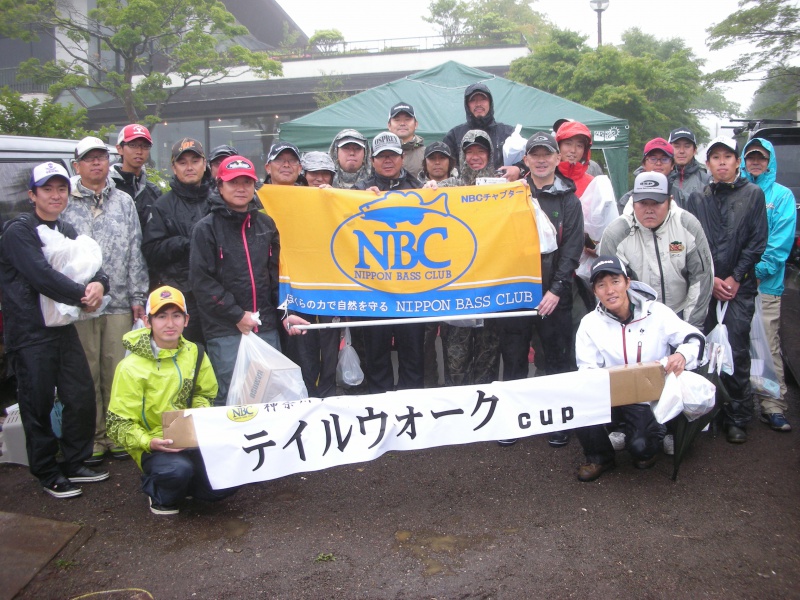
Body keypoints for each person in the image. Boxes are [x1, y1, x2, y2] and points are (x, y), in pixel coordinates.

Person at [0, 162, 110, 498]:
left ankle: (76, 460)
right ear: (32, 195)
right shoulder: (18, 232)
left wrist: (99, 286)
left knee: (79, 394)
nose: (55, 195)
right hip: (30, 332)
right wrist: (81, 294)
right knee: (38, 403)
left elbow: (94, 266)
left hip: (62, 329)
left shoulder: (65, 228)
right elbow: (41, 276)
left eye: (61, 188)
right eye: (47, 189)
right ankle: (47, 471)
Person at [106, 286, 237, 515]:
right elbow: (117, 424)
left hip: (190, 438)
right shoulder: (130, 367)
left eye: (176, 315)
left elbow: (205, 393)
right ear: (148, 321)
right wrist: (149, 441)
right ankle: (159, 493)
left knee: (231, 474)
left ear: (186, 320)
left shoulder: (195, 352)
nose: (170, 323)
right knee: (177, 471)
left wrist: (193, 421)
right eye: (161, 316)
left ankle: (188, 486)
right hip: (153, 445)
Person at [189, 155, 307, 406]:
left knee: (271, 395)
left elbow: (277, 277)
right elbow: (202, 282)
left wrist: (285, 313)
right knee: (232, 397)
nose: (241, 188)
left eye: (246, 182)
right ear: (220, 186)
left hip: (265, 328)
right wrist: (236, 315)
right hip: (225, 331)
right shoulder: (206, 228)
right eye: (233, 183)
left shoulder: (266, 224)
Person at [574, 256, 703, 482]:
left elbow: (694, 338)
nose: (609, 290)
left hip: (646, 397)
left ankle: (653, 432)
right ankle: (599, 456)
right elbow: (586, 367)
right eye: (601, 285)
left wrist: (682, 355)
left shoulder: (657, 313)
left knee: (641, 451)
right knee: (577, 397)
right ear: (594, 291)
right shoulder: (589, 323)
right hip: (609, 394)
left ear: (628, 282)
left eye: (615, 281)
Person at [62, 136, 149, 465]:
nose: (96, 163)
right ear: (77, 165)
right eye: (88, 159)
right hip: (77, 305)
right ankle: (95, 438)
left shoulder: (124, 201)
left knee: (117, 371)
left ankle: (117, 435)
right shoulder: (64, 200)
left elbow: (134, 250)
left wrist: (138, 295)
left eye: (101, 157)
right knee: (87, 374)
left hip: (119, 302)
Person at [686, 136, 768, 444]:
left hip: (739, 288)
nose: (722, 162)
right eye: (715, 158)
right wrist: (713, 279)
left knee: (736, 348)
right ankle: (706, 411)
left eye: (727, 157)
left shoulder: (753, 194)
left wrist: (734, 277)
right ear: (707, 165)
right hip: (707, 287)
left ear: (737, 163)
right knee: (702, 348)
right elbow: (694, 244)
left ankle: (737, 415)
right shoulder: (697, 198)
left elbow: (757, 241)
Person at [508, 132, 584, 448]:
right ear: (525, 160)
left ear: (557, 159)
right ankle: (511, 419)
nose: (540, 160)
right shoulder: (510, 193)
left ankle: (558, 419)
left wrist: (556, 289)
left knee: (557, 359)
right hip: (514, 293)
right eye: (534, 154)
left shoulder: (569, 198)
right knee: (512, 359)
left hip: (556, 293)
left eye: (546, 154)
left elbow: (572, 248)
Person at [424, 130, 502, 388]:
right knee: (456, 368)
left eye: (481, 151)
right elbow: (423, 199)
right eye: (469, 151)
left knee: (486, 366)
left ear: (489, 154)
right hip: (455, 293)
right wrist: (428, 190)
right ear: (462, 155)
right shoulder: (450, 187)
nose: (475, 156)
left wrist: (520, 187)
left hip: (490, 293)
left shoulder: (503, 188)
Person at [353, 132, 425, 393]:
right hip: (374, 293)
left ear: (402, 158)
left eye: (392, 155)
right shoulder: (358, 191)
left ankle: (412, 414)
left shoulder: (419, 187)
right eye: (381, 156)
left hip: (412, 292)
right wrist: (356, 199)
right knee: (376, 360)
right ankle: (382, 416)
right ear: (372, 160)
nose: (387, 161)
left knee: (414, 358)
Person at [599, 171, 713, 330]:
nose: (649, 210)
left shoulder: (687, 225)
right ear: (633, 202)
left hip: (680, 313)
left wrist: (691, 328)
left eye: (656, 203)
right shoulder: (615, 234)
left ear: (669, 200)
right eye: (643, 203)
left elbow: (701, 278)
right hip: (636, 318)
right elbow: (607, 286)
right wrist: (625, 326)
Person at [740, 137, 797, 432]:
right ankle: (735, 403)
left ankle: (773, 405)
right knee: (735, 343)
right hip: (736, 284)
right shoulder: (738, 190)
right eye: (751, 157)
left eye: (761, 157)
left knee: (767, 344)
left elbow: (780, 243)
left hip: (765, 284)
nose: (756, 162)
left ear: (770, 160)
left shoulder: (782, 196)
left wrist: (756, 272)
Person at [143, 138, 212, 344]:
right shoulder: (162, 206)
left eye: (195, 161)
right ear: (174, 167)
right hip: (180, 298)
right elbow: (151, 250)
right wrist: (187, 242)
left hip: (217, 298)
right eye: (182, 163)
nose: (189, 167)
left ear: (204, 163)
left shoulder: (219, 200)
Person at [442, 83, 518, 178]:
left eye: (483, 99)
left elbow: (528, 158)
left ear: (490, 103)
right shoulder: (454, 135)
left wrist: (518, 168)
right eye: (473, 100)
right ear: (467, 105)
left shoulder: (509, 133)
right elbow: (445, 165)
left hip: (500, 190)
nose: (478, 104)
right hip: (465, 190)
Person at [111, 124, 161, 233]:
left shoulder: (154, 192)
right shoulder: (108, 187)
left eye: (145, 146)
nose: (139, 151)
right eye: (133, 145)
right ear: (119, 149)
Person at [617, 138, 686, 214]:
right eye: (653, 159)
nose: (658, 163)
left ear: (672, 165)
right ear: (643, 164)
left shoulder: (682, 198)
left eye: (664, 159)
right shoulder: (627, 200)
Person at [555, 120, 595, 197]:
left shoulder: (592, 184)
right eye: (568, 144)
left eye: (579, 146)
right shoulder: (543, 178)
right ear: (558, 146)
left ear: (585, 151)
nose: (573, 150)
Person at [668, 128, 710, 197]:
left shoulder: (706, 180)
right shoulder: (663, 175)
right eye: (677, 146)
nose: (682, 151)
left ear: (694, 150)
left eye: (687, 146)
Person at [387, 102, 425, 179]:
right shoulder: (378, 154)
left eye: (407, 119)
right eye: (397, 120)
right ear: (389, 125)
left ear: (416, 124)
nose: (402, 123)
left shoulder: (427, 154)